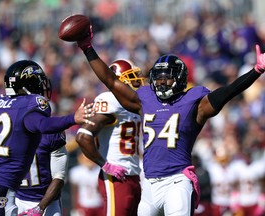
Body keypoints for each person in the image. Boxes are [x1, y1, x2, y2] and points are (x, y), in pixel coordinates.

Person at [67, 24, 265, 216]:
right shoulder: (145, 98)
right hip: (150, 183)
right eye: (158, 77)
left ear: (179, 79)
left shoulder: (193, 101)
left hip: (177, 181)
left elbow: (228, 92)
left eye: (166, 78)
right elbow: (110, 81)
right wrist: (87, 48)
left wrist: (256, 70)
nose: (161, 82)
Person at [0, 60, 95, 216]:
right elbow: (43, 125)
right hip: (1, 187)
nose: (41, 87)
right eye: (38, 82)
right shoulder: (30, 108)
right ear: (28, 85)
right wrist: (73, 118)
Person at [75, 59, 144, 216]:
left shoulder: (132, 105)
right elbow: (83, 136)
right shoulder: (111, 99)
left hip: (132, 175)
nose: (136, 81)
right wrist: (105, 165)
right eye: (131, 77)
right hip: (117, 177)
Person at [16, 131, 68, 216]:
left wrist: (39, 208)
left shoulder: (51, 135)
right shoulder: (9, 135)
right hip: (17, 199)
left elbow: (59, 177)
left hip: (48, 202)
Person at [69, 151, 103, 216]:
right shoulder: (76, 171)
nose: (88, 160)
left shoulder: (100, 171)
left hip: (99, 204)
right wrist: (74, 208)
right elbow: (74, 192)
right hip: (84, 205)